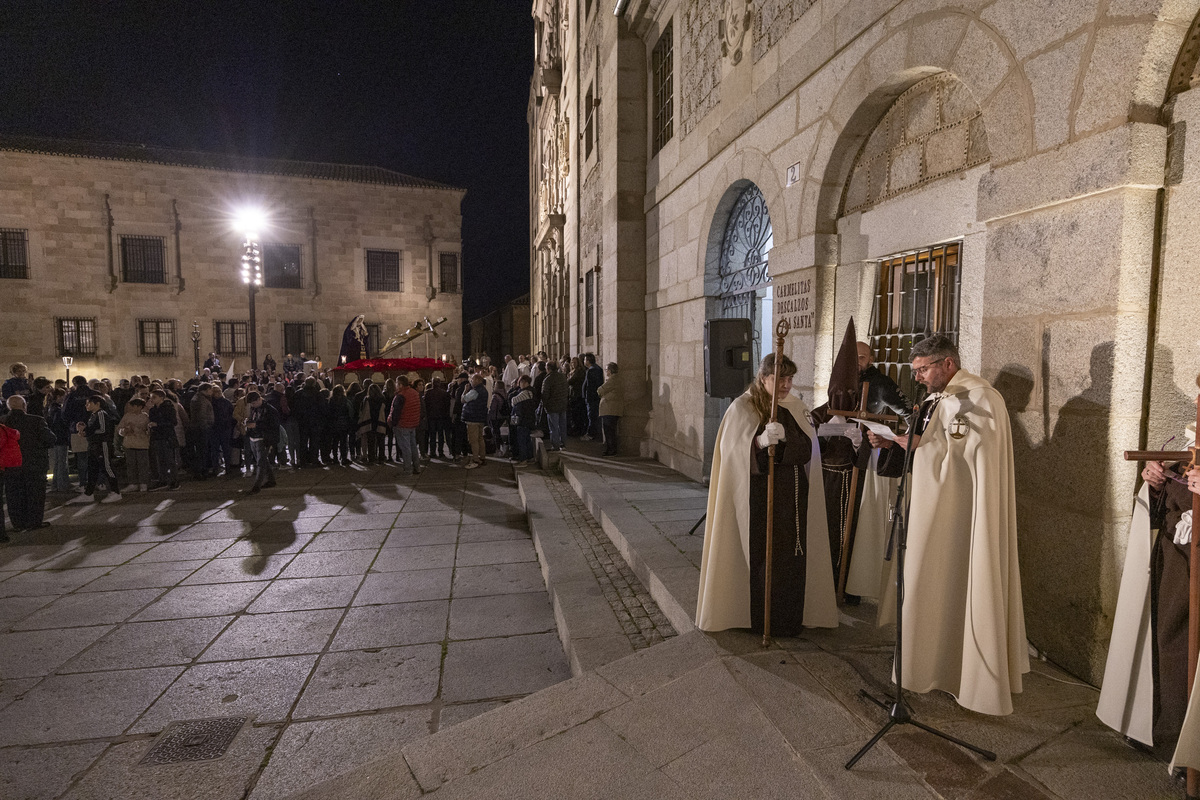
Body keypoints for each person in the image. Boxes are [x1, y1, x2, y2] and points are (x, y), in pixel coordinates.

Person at [868, 334, 1028, 716]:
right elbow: (929, 444)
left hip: (959, 515)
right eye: (916, 371)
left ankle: (967, 672)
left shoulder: (981, 399)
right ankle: (932, 662)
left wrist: (914, 446)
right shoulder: (940, 399)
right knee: (929, 582)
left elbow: (965, 458)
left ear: (948, 364)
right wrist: (896, 444)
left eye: (923, 369)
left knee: (958, 579)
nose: (919, 378)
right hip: (931, 510)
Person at [696, 353, 838, 636]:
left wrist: (787, 440)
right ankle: (760, 620)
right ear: (763, 378)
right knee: (763, 559)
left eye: (790, 378)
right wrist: (758, 443)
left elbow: (807, 450)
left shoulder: (795, 406)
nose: (786, 385)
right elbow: (731, 456)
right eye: (779, 378)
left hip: (794, 499)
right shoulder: (742, 408)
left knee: (790, 561)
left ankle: (787, 621)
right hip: (758, 499)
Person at [1098, 393, 1199, 757]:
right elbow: (1162, 510)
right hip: (1175, 565)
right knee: (1169, 647)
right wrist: (1155, 483)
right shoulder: (1190, 446)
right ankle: (1167, 733)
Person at [843, 341, 912, 601]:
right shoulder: (842, 377)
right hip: (843, 457)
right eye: (853, 356)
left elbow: (909, 412)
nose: (857, 361)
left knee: (863, 517)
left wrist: (893, 438)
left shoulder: (880, 383)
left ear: (870, 358)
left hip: (868, 456)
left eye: (862, 356)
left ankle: (858, 586)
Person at [2, 396, 54, 530]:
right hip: (35, 463)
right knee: (35, 494)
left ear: (9, 407)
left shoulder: (3, 422)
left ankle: (18, 523)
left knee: (13, 495)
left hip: (10, 465)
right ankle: (34, 522)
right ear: (24, 406)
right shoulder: (36, 420)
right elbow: (50, 439)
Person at [79, 395, 121, 501]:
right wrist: (85, 431)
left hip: (102, 445)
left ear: (97, 404)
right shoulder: (93, 415)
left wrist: (88, 432)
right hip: (94, 445)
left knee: (107, 467)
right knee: (92, 469)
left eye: (89, 403)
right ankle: (89, 494)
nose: (86, 405)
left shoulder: (101, 414)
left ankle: (116, 492)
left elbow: (103, 430)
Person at [243, 391, 281, 493]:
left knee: (260, 462)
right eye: (251, 404)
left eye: (254, 403)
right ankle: (271, 480)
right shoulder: (255, 408)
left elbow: (274, 425)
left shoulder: (269, 410)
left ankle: (256, 486)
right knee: (262, 460)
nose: (253, 405)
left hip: (264, 438)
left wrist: (256, 425)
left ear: (259, 399)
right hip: (254, 437)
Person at [388, 375, 422, 475]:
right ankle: (417, 467)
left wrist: (392, 423)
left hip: (402, 424)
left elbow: (396, 412)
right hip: (412, 423)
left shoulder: (401, 396)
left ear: (401, 384)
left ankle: (408, 469)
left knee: (405, 447)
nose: (396, 385)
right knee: (413, 446)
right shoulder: (414, 393)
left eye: (397, 383)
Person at [117, 397, 151, 492]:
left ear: (140, 407)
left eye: (134, 406)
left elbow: (148, 430)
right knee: (131, 464)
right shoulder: (127, 416)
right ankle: (133, 483)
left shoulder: (145, 417)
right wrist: (124, 431)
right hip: (129, 443)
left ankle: (143, 483)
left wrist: (138, 429)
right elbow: (120, 428)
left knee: (142, 464)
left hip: (142, 444)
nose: (132, 408)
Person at [460, 374, 489, 469]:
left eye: (472, 380)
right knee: (480, 438)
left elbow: (463, 400)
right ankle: (482, 456)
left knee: (473, 440)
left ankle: (475, 459)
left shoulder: (475, 391)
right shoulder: (484, 390)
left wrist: (465, 390)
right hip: (480, 418)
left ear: (477, 380)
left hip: (473, 418)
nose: (471, 382)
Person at [541, 360, 569, 451]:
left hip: (552, 406)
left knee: (554, 427)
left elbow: (545, 394)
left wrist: (545, 405)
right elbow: (566, 390)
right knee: (562, 426)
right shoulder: (562, 377)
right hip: (563, 404)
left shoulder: (547, 379)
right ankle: (563, 444)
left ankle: (555, 445)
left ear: (548, 368)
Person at [596, 362, 623, 457]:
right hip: (611, 409)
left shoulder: (612, 380)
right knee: (610, 430)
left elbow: (600, 390)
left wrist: (603, 394)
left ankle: (611, 450)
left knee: (609, 430)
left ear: (610, 371)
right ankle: (610, 449)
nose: (606, 371)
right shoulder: (616, 379)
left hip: (610, 409)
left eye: (606, 370)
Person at [583, 353, 604, 439]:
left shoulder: (591, 370)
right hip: (595, 397)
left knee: (591, 415)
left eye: (584, 360)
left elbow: (590, 386)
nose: (584, 361)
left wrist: (587, 397)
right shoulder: (598, 369)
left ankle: (591, 434)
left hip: (592, 397)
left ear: (588, 361)